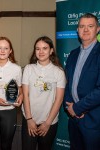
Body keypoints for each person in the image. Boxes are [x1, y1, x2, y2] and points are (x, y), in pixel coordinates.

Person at [21, 36, 66, 150]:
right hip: (29, 120)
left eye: (45, 48)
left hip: (49, 122)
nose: (41, 52)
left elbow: (59, 99)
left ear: (51, 51)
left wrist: (47, 123)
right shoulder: (28, 68)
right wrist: (29, 119)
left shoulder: (59, 72)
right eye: (38, 49)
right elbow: (25, 95)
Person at [64, 13, 100, 150]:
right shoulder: (73, 54)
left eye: (90, 26)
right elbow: (67, 83)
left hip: (94, 121)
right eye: (81, 26)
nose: (85, 30)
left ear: (97, 29)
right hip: (74, 120)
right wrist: (69, 107)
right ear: (77, 30)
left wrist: (78, 108)